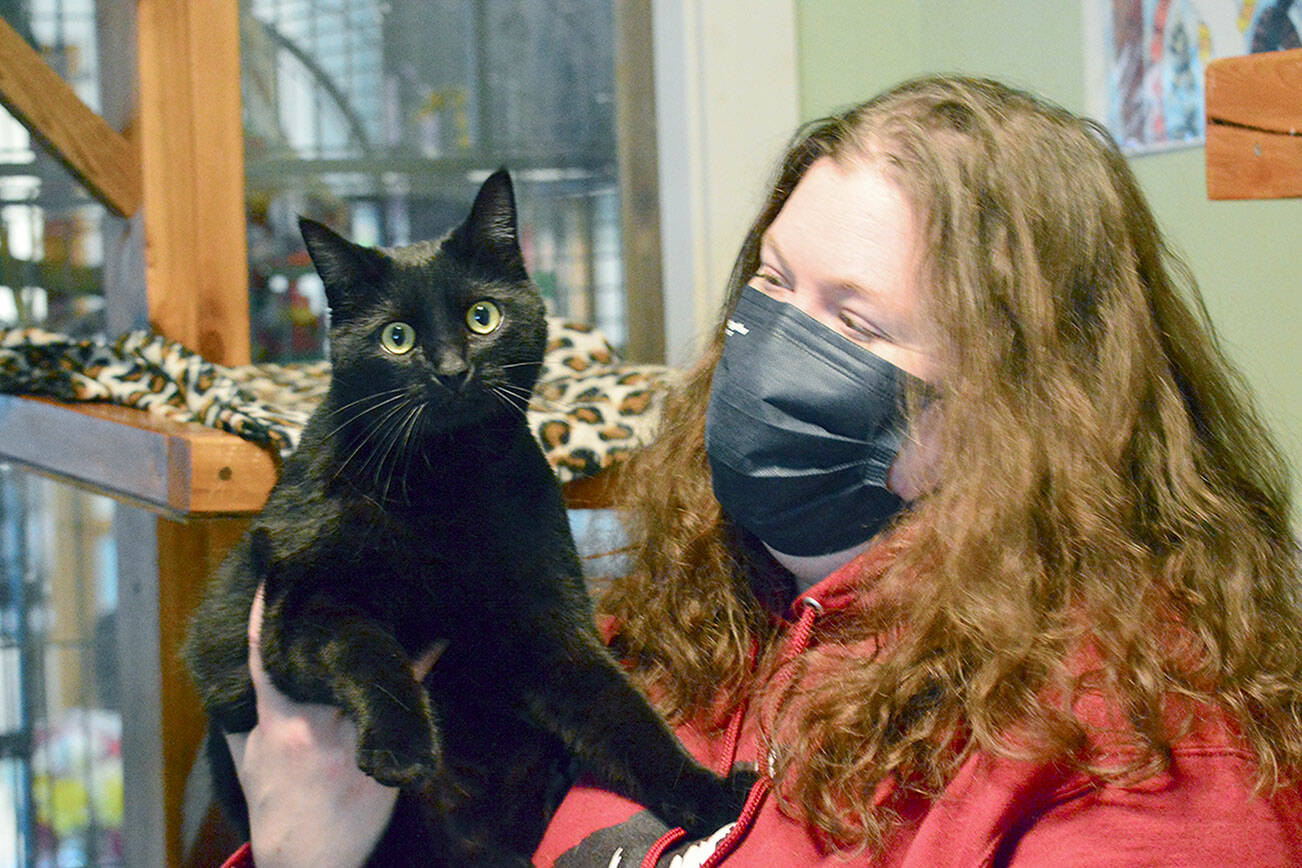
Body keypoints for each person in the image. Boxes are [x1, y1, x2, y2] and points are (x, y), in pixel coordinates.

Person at [221, 75, 1302, 867]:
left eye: (854, 319)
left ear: (1025, 394)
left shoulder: (1149, 749)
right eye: (774, 282)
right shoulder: (694, 624)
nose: (775, 341)